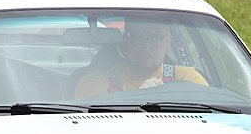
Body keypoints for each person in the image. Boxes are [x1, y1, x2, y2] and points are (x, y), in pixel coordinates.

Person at [74, 18, 207, 99]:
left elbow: (212, 120)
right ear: (126, 40)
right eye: (138, 38)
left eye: (155, 39)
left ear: (168, 41)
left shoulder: (187, 79)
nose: (147, 47)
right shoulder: (93, 83)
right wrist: (141, 98)